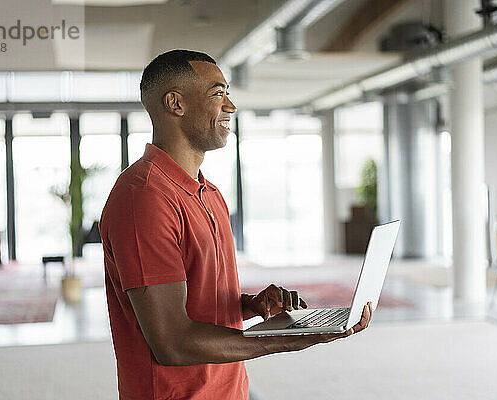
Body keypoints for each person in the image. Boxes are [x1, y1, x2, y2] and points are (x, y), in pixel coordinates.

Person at [99, 49, 372, 400]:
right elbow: (172, 343)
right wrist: (289, 338)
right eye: (218, 93)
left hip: (230, 389)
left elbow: (197, 301)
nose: (231, 106)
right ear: (175, 103)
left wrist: (251, 305)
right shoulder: (144, 198)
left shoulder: (207, 191)